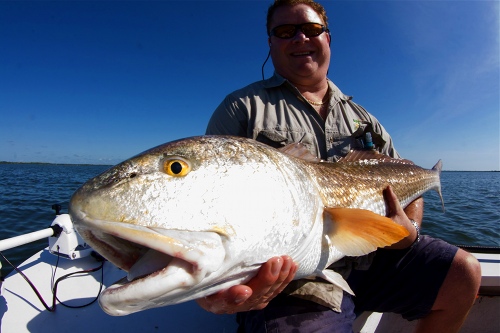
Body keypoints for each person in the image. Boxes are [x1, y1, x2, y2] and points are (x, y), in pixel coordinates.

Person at [198, 1, 482, 332]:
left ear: (328, 40)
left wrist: (411, 230)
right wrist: (210, 284)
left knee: (464, 272)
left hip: (375, 256)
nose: (300, 38)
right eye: (285, 31)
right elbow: (210, 202)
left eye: (312, 29)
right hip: (296, 277)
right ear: (271, 43)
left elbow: (407, 185)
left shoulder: (365, 119)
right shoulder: (242, 109)